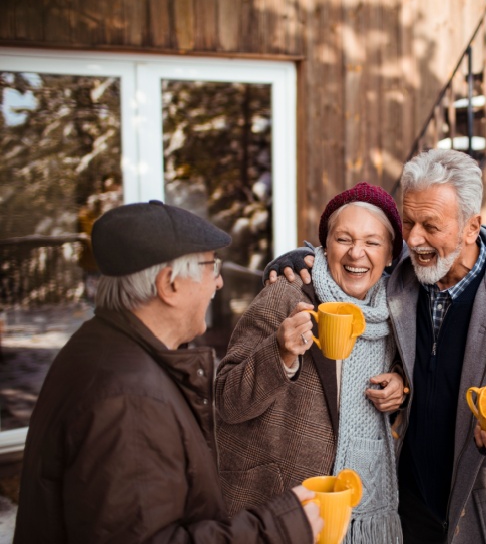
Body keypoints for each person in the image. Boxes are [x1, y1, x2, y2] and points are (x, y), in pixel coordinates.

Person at [267, 149, 486, 543]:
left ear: (471, 227)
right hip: (406, 506)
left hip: (478, 517)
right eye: (408, 221)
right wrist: (307, 259)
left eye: (431, 225)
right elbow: (359, 258)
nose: (413, 239)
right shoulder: (408, 276)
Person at [14, 200, 322, 544]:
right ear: (169, 285)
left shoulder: (100, 348)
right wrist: (280, 527)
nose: (218, 283)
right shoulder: (128, 400)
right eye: (211, 267)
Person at [215, 183, 407, 544]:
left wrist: (399, 386)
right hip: (279, 509)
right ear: (324, 246)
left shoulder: (395, 315)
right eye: (344, 239)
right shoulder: (285, 295)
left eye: (372, 242)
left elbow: (401, 380)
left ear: (391, 254)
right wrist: (279, 353)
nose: (356, 253)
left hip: (352, 512)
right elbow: (226, 399)